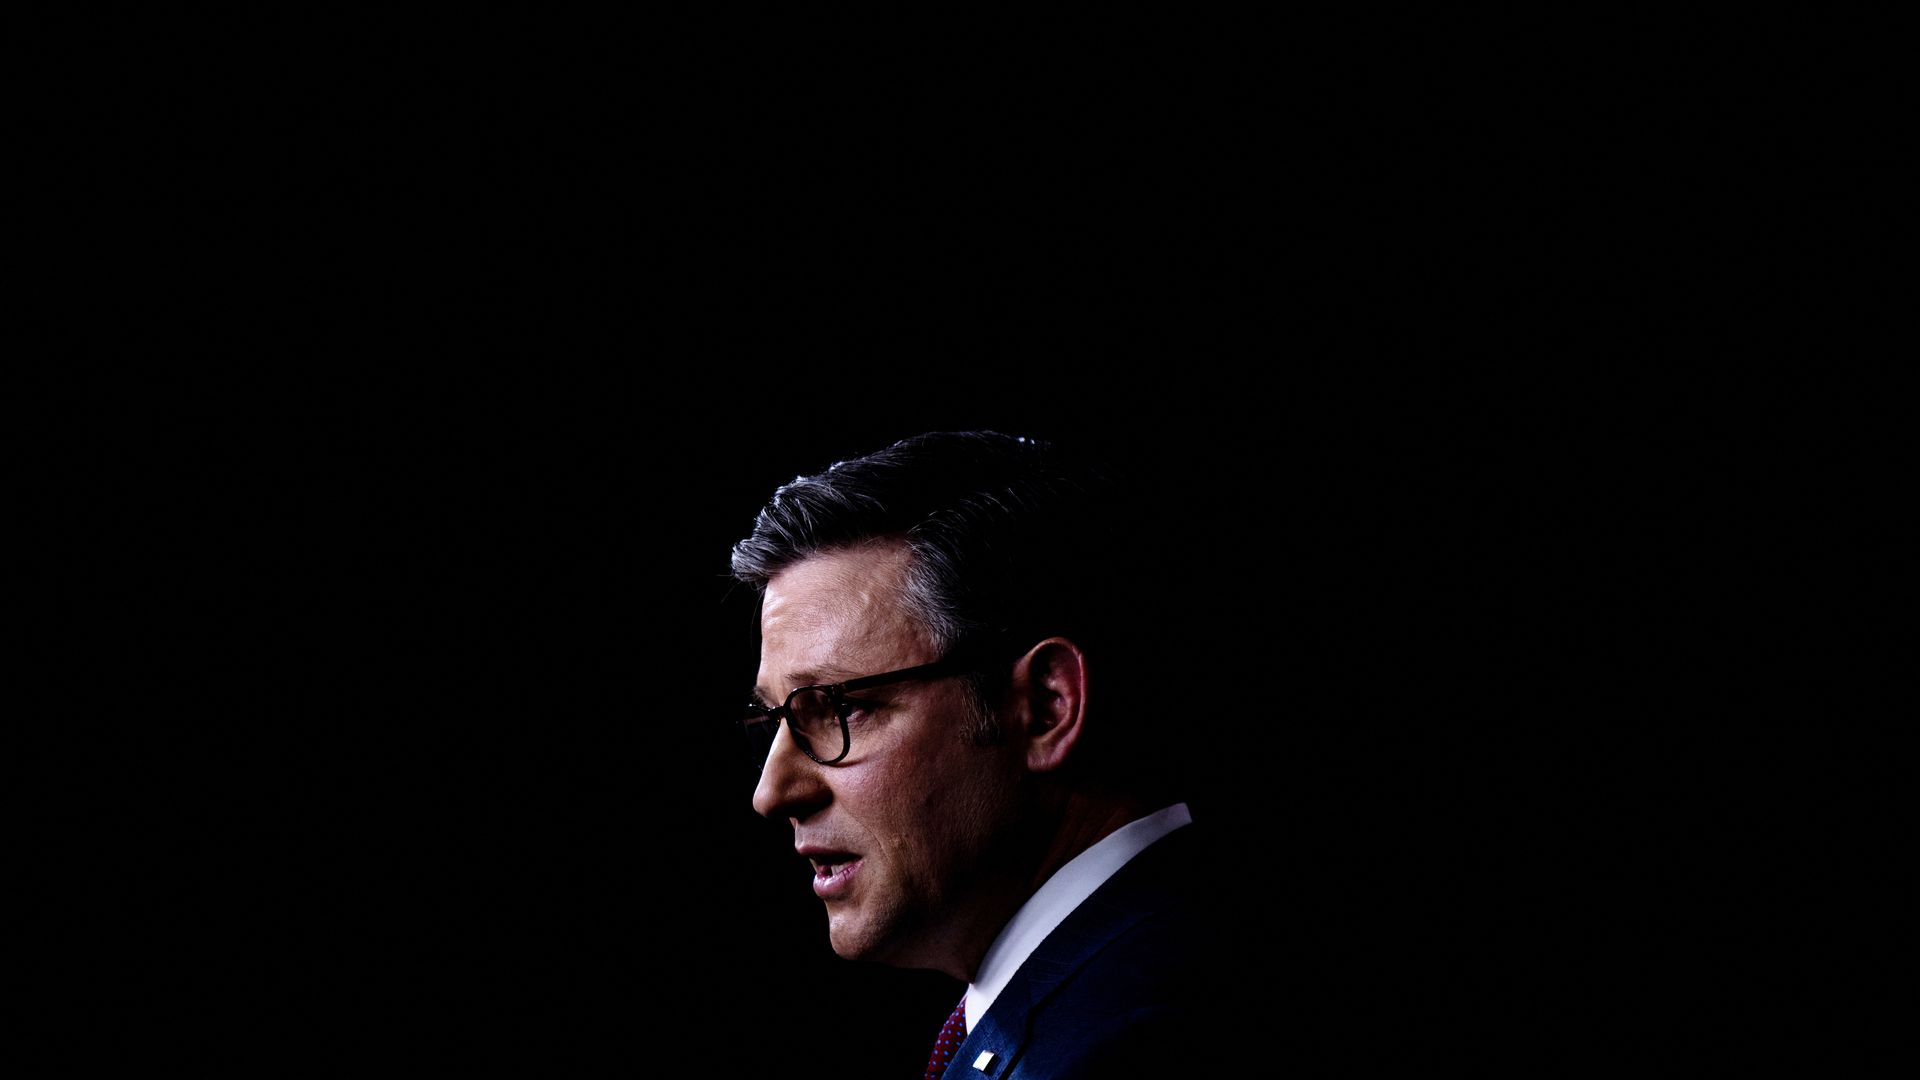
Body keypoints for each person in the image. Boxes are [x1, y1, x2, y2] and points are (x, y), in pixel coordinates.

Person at [731, 430, 1245, 1078]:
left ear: (1045, 708)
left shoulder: (1134, 1041)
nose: (772, 792)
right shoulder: (1077, 1003)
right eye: (773, 720)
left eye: (837, 708)